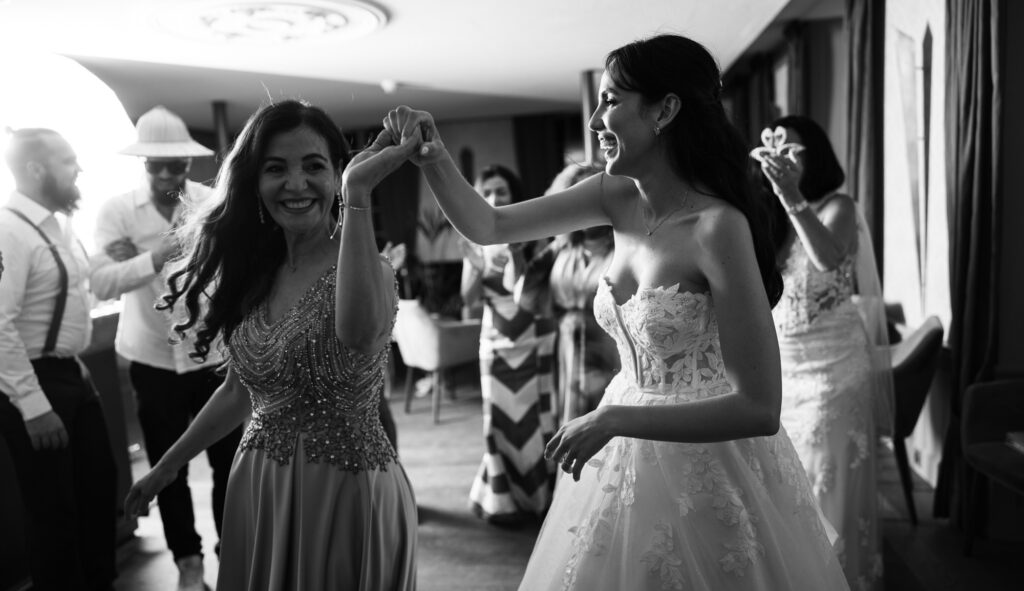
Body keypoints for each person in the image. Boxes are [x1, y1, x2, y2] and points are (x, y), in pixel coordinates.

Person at [384, 33, 850, 590]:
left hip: (707, 461)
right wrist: (433, 155)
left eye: (611, 101)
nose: (595, 120)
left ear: (665, 110)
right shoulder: (611, 195)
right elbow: (491, 226)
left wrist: (613, 419)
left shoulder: (717, 227)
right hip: (618, 448)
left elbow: (758, 408)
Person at [123, 99, 418, 590]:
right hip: (260, 483)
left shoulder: (372, 267)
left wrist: (360, 195)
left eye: (314, 167)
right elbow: (238, 393)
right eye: (275, 169)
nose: (296, 184)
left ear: (339, 175)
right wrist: (166, 467)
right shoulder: (252, 275)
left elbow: (360, 336)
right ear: (254, 183)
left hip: (347, 490)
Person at [89, 105, 243, 589]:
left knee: (229, 464)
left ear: (187, 163)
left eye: (176, 165)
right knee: (167, 468)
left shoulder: (212, 202)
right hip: (151, 359)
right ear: (144, 165)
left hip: (213, 355)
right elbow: (101, 282)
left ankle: (232, 554)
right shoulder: (115, 210)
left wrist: (138, 258)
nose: (167, 174)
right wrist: (152, 258)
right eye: (157, 166)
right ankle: (188, 562)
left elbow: (234, 265)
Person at [757, 114, 892, 590]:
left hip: (834, 368)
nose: (782, 158)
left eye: (793, 150)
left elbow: (828, 258)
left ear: (813, 154)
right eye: (774, 150)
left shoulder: (838, 206)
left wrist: (791, 196)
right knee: (787, 486)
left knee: (826, 483)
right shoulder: (769, 213)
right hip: (783, 366)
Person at [0, 128, 118, 590]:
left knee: (97, 491)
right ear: (35, 169)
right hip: (35, 382)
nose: (79, 170)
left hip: (72, 372)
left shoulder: (60, 226)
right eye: (68, 161)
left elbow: (86, 290)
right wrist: (33, 406)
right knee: (54, 514)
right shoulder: (9, 230)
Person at [460, 164, 558, 525]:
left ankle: (541, 495)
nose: (494, 198)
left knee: (539, 421)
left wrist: (516, 253)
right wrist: (472, 265)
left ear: (514, 194)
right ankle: (503, 499)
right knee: (497, 422)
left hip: (536, 337)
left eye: (501, 191)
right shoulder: (474, 239)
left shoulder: (535, 233)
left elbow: (532, 294)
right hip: (495, 342)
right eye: (488, 191)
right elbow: (468, 300)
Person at [539, 163, 619, 423]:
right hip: (566, 347)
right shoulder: (560, 249)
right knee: (570, 418)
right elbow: (525, 294)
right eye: (576, 199)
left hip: (608, 347)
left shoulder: (623, 246)